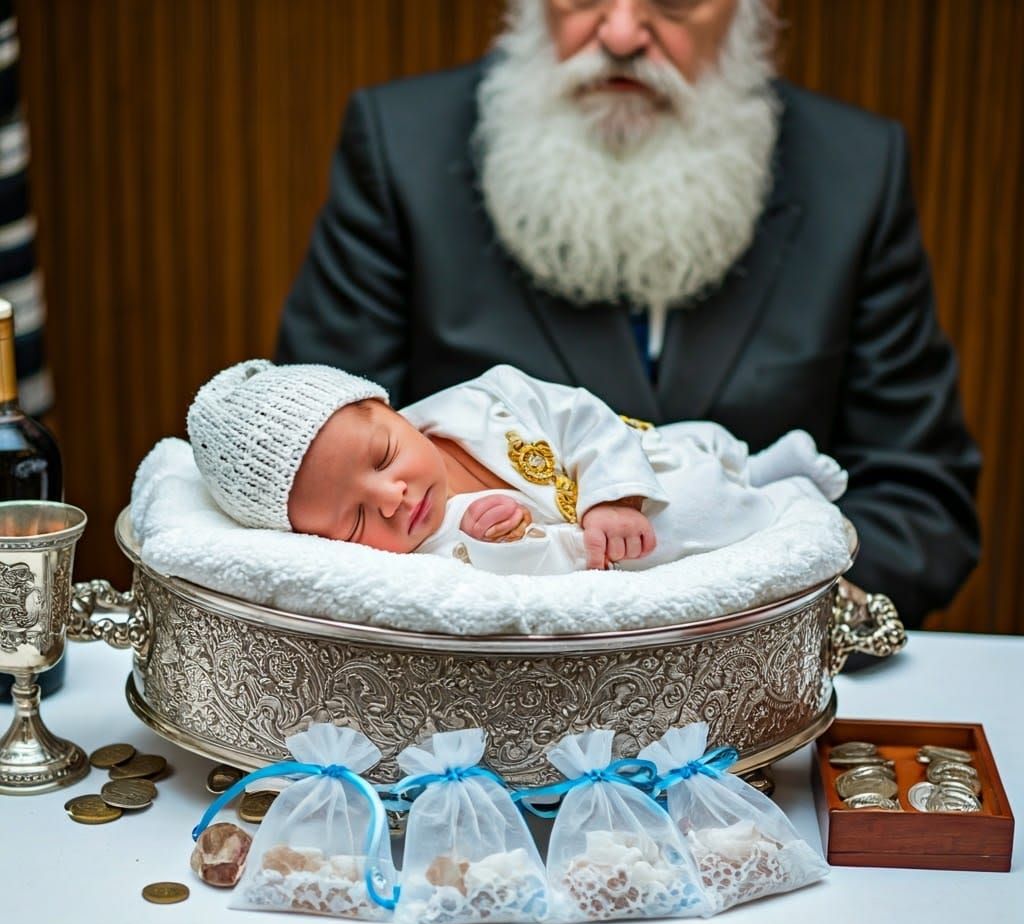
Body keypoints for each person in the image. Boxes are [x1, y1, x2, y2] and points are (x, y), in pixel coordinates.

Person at [275, 0, 980, 620]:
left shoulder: (856, 169)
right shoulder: (401, 147)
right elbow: (320, 464)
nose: (618, 31)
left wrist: (769, 604)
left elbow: (919, 495)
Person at [187, 359, 848, 576]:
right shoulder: (418, 559)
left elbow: (584, 417)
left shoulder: (483, 399)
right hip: (602, 548)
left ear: (386, 407)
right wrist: (491, 543)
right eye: (355, 519)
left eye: (384, 456)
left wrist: (612, 498)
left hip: (622, 467)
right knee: (698, 514)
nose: (390, 498)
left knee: (692, 449)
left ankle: (757, 463)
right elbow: (489, 595)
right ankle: (779, 494)